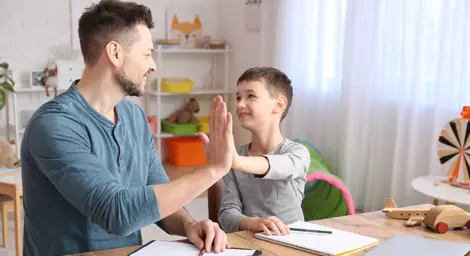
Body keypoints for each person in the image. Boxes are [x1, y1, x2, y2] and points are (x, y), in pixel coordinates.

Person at [20, 0, 234, 255]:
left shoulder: (134, 117)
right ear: (115, 53)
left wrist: (190, 224)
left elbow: (158, 197)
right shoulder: (54, 125)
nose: (153, 65)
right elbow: (116, 213)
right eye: (146, 54)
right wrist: (213, 170)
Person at [215, 67, 311, 235]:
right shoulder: (235, 158)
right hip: (250, 241)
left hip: (293, 243)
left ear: (279, 104)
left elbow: (281, 166)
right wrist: (253, 223)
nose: (240, 104)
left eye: (250, 96)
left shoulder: (298, 153)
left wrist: (236, 161)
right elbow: (227, 216)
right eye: (238, 97)